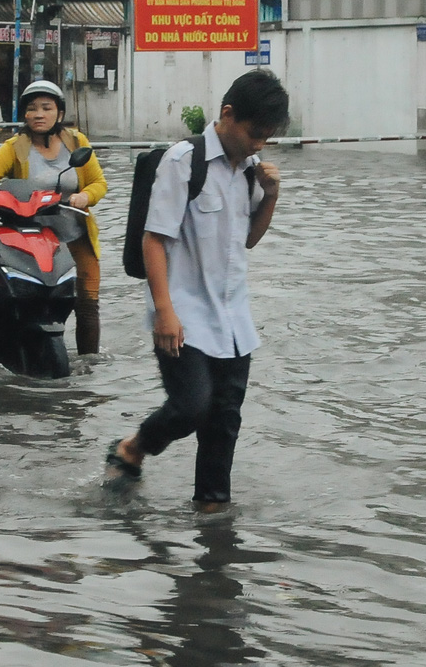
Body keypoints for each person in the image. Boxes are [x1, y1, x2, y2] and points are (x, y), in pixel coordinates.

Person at [104, 69, 289, 513]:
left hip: (232, 319)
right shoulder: (183, 161)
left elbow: (247, 239)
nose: (259, 144)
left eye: (268, 137)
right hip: (182, 312)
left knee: (224, 423)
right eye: (254, 133)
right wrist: (164, 311)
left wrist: (271, 196)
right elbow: (155, 238)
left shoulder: (248, 171)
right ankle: (132, 448)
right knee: (190, 407)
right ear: (228, 115)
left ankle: (212, 515)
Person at [0, 80, 108, 355]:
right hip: (32, 239)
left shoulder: (77, 142)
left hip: (75, 235)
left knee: (87, 303)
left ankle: (88, 364)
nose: (39, 114)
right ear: (24, 114)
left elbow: (98, 182)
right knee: (25, 298)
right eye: (32, 109)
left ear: (59, 113)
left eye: (46, 108)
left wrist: (85, 197)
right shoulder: (16, 147)